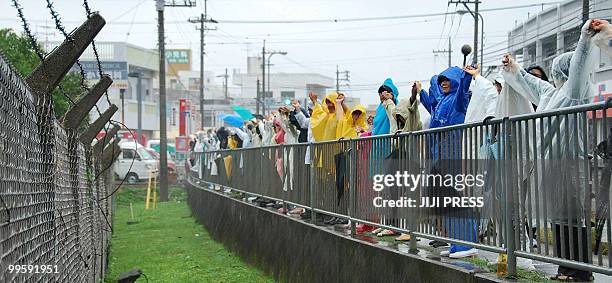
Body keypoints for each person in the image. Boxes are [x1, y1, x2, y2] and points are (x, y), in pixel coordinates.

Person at [502, 19, 602, 282]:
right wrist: (513, 68)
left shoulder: (574, 91)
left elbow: (579, 65)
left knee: (574, 220)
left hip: (570, 164)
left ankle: (580, 272)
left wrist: (584, 38)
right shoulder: (552, 94)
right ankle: (564, 268)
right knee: (560, 220)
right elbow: (529, 84)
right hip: (552, 167)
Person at [418, 66, 477, 258]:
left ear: (456, 81)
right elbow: (430, 103)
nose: (443, 82)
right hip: (438, 158)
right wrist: (420, 91)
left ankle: (466, 244)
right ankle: (455, 243)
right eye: (442, 80)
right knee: (445, 201)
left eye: (448, 79)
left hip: (452, 155)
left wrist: (466, 75)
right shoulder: (442, 101)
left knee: (455, 199)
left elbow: (463, 91)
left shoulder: (459, 100)